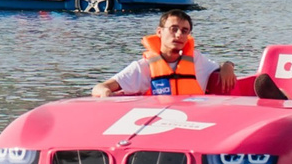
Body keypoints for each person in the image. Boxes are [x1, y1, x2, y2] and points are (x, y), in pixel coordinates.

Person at [93, 9, 236, 99]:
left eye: (184, 31)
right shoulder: (143, 67)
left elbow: (222, 65)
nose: (179, 34)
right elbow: (100, 87)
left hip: (193, 123)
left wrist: (227, 66)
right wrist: (105, 93)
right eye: (174, 29)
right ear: (160, 32)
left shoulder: (197, 60)